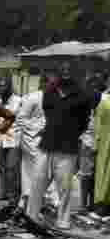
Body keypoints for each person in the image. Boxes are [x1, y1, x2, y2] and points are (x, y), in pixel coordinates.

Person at [28, 62, 95, 229]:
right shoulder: (49, 92)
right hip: (46, 145)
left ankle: (63, 220)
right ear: (58, 73)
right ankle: (31, 216)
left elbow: (84, 122)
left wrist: (70, 133)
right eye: (62, 70)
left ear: (75, 73)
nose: (65, 73)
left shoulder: (82, 96)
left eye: (69, 70)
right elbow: (48, 113)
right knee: (37, 183)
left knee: (64, 188)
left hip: (67, 148)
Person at [16, 72, 50, 212]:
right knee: (31, 171)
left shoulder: (55, 98)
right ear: (42, 83)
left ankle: (37, 201)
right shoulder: (33, 97)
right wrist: (39, 128)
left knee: (43, 171)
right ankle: (26, 199)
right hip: (31, 140)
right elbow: (21, 118)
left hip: (46, 141)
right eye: (48, 83)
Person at [78, 71, 107, 214]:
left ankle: (93, 204)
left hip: (101, 142)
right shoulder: (87, 99)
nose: (95, 87)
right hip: (88, 141)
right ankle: (84, 204)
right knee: (86, 174)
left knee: (97, 174)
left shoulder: (104, 99)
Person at [0, 77, 23, 203]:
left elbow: (17, 120)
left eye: (3, 86)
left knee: (12, 168)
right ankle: (3, 193)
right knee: (2, 168)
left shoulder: (18, 101)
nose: (1, 88)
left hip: (14, 140)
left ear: (10, 87)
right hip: (1, 140)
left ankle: (14, 195)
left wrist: (0, 125)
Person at [92, 75, 110, 217]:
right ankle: (101, 204)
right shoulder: (104, 101)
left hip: (105, 141)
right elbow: (97, 125)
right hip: (105, 143)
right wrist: (96, 144)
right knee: (103, 173)